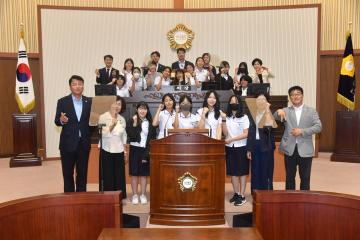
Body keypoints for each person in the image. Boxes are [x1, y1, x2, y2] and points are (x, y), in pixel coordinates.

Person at [273, 86, 322, 190]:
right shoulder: (285, 110)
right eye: (293, 95)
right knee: (289, 177)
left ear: (302, 96)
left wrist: (302, 131)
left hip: (305, 149)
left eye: (298, 94)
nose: (295, 96)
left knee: (305, 177)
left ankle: (304, 202)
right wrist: (279, 110)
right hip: (289, 148)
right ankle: (290, 201)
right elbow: (273, 117)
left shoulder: (311, 111)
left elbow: (318, 127)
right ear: (290, 97)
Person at [54, 75, 92, 192]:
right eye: (74, 84)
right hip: (67, 143)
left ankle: (81, 198)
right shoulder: (63, 101)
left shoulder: (89, 101)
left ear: (83, 86)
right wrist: (61, 120)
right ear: (70, 86)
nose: (77, 86)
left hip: (83, 143)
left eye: (80, 84)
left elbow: (93, 122)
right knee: (67, 174)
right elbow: (57, 121)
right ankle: (69, 200)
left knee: (82, 174)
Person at [126, 101, 156, 204]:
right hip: (134, 149)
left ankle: (143, 194)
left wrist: (147, 153)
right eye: (140, 108)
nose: (142, 111)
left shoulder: (149, 122)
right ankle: (135, 194)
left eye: (144, 109)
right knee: (134, 174)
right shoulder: (131, 121)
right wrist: (134, 124)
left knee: (144, 174)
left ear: (147, 110)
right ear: (137, 110)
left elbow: (152, 139)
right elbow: (132, 136)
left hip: (145, 149)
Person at [222, 95, 250, 206]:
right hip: (229, 148)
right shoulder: (227, 117)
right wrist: (223, 120)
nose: (234, 103)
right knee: (233, 172)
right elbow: (225, 134)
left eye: (236, 101)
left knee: (242, 173)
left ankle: (242, 196)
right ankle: (236, 193)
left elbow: (246, 134)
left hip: (241, 147)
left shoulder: (244, 117)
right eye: (232, 101)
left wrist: (232, 139)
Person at [246, 93, 277, 193]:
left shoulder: (269, 113)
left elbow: (269, 127)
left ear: (267, 101)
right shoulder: (252, 114)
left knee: (266, 171)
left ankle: (266, 193)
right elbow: (250, 133)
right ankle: (255, 193)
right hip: (255, 145)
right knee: (255, 171)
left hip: (266, 146)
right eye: (258, 99)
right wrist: (249, 149)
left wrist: (267, 109)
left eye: (263, 99)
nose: (260, 101)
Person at [98, 96, 127, 197]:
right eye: (115, 103)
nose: (117, 106)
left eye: (119, 104)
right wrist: (112, 125)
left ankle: (119, 197)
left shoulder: (122, 119)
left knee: (119, 176)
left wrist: (125, 152)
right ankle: (108, 197)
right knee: (108, 175)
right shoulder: (102, 117)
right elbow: (101, 134)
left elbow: (123, 136)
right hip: (106, 149)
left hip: (119, 150)